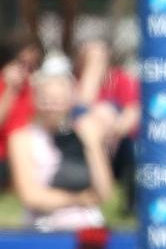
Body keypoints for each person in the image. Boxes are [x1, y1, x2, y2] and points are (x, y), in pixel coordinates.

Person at [7, 53, 113, 232]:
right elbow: (31, 196)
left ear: (70, 100)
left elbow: (103, 193)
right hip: (42, 228)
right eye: (46, 100)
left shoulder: (84, 133)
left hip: (86, 226)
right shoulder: (22, 139)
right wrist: (79, 199)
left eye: (58, 100)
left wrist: (92, 145)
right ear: (35, 99)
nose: (52, 106)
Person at [73, 37, 140, 212]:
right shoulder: (75, 82)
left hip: (119, 141)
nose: (95, 60)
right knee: (98, 113)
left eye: (99, 57)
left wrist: (112, 129)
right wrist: (92, 72)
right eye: (89, 56)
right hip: (87, 141)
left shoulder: (122, 79)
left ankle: (130, 204)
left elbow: (132, 113)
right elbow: (79, 113)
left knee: (108, 111)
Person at [0, 29, 44, 188]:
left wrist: (37, 94)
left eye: (31, 67)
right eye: (21, 64)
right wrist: (10, 90)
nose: (25, 71)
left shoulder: (33, 88)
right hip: (4, 155)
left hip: (28, 152)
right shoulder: (4, 85)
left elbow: (39, 124)